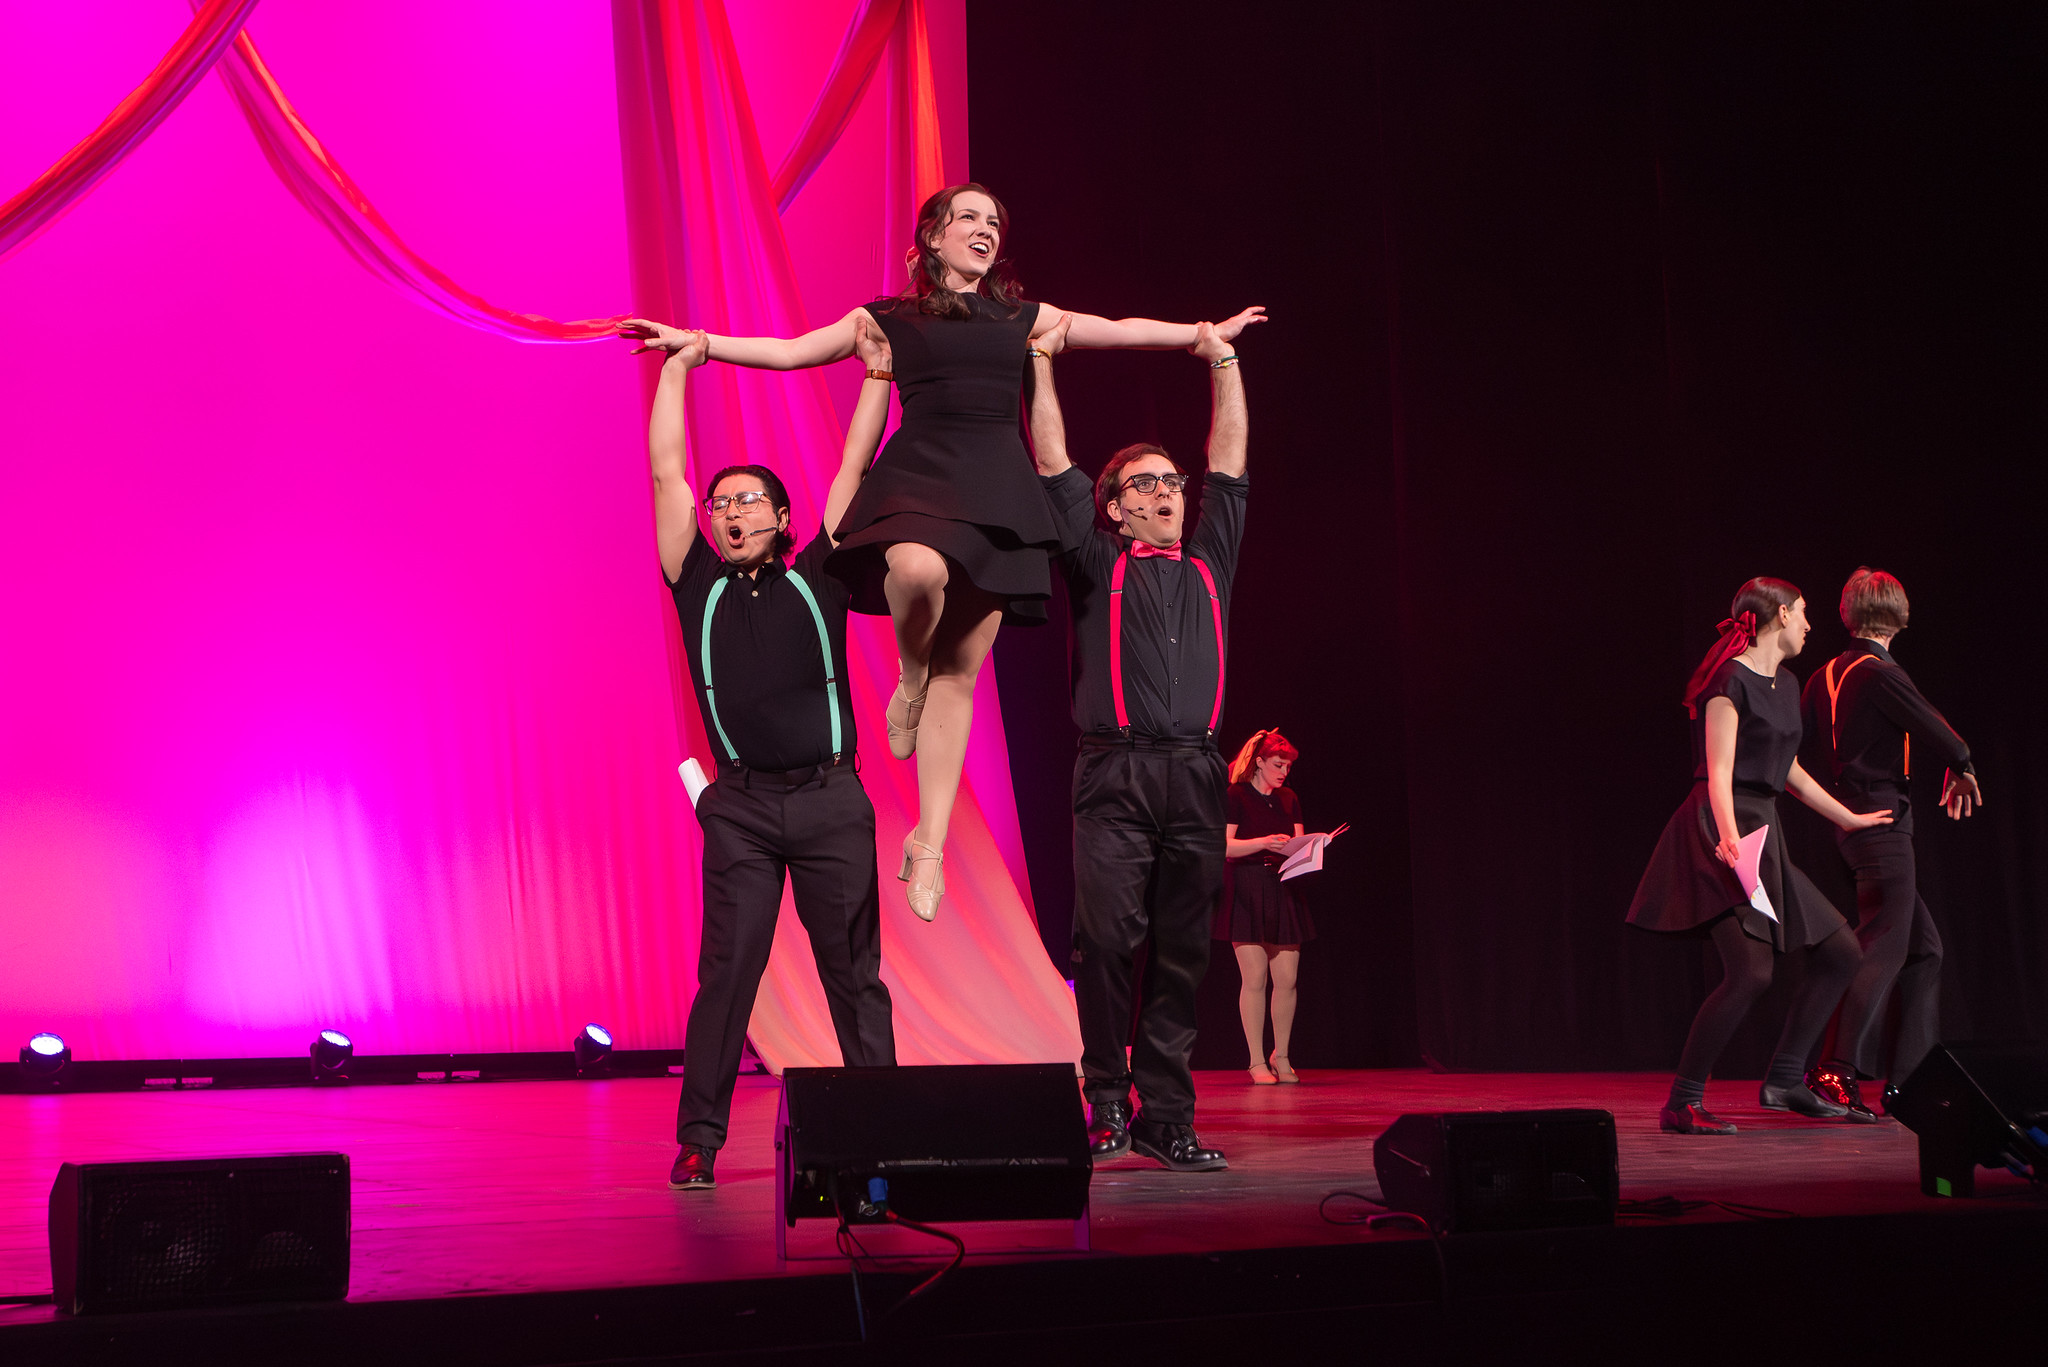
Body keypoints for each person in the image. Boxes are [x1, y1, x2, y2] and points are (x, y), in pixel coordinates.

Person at [622, 184, 1264, 922]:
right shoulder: (886, 319)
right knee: (915, 568)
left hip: (1000, 491)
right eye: (969, 218)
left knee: (962, 671)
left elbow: (1115, 329)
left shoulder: (1023, 318)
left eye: (994, 222)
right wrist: (700, 344)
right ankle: (910, 675)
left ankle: (928, 842)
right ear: (932, 236)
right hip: (922, 473)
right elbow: (793, 351)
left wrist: (1201, 335)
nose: (985, 230)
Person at [625, 320, 899, 1191]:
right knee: (727, 973)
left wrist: (878, 376)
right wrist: (679, 366)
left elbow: (855, 464)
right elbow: (666, 471)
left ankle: (884, 1137)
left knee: (853, 976)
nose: (731, 511)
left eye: (748, 501)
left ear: (782, 519)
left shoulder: (819, 574)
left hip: (830, 802)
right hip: (740, 807)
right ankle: (699, 1139)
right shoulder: (695, 582)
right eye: (721, 503)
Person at [1026, 313, 1247, 1172]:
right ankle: (1109, 1101)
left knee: (1183, 954)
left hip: (1195, 774)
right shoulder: (1095, 561)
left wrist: (1221, 359)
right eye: (1145, 484)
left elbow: (1229, 462)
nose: (1167, 494)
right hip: (1114, 775)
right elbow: (1054, 462)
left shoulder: (1210, 561)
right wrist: (1041, 362)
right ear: (1115, 507)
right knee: (1109, 942)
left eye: (1172, 482)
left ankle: (1168, 1114)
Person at [1626, 579, 1892, 1135]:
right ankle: (1683, 1101)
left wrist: (1846, 816)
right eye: (1804, 613)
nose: (1810, 625)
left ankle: (1785, 1080)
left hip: (1763, 832)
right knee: (1750, 973)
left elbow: (1787, 768)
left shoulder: (1785, 682)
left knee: (1841, 951)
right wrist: (1727, 836)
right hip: (1719, 829)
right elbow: (1718, 770)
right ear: (1781, 615)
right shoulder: (1728, 682)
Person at [1801, 568, 1980, 1116]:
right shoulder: (1879, 671)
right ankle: (1834, 1068)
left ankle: (1910, 1081)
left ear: (1847, 612)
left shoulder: (1823, 675)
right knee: (1884, 945)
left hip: (1848, 822)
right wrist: (1962, 765)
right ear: (1899, 613)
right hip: (1881, 822)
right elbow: (1940, 732)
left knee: (1924, 951)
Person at [1219, 728, 1313, 1084]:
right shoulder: (1236, 795)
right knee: (1255, 978)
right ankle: (1256, 1060)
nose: (1284, 772)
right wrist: (1263, 843)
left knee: (1287, 979)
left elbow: (1298, 843)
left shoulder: (1289, 798)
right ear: (1259, 762)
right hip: (1247, 886)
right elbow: (1224, 846)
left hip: (1283, 886)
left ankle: (1282, 1055)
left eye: (1287, 766)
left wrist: (1310, 850)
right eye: (1278, 764)